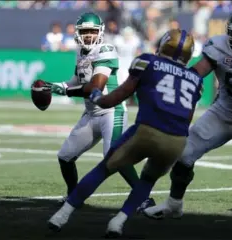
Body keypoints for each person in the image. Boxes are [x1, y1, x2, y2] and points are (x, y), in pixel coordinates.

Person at [144, 7, 232, 234]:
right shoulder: (218, 46)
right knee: (184, 153)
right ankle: (174, 204)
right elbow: (195, 73)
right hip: (223, 112)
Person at [47, 29, 203, 237]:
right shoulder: (195, 79)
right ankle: (118, 221)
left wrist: (97, 98)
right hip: (176, 140)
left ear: (163, 45)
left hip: (148, 129)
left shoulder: (148, 61)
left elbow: (117, 96)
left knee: (104, 168)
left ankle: (62, 215)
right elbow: (187, 117)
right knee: (147, 180)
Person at [42, 12, 154, 208]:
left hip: (111, 111)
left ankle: (144, 197)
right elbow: (75, 82)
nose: (87, 36)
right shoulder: (80, 52)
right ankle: (73, 196)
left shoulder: (106, 50)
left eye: (92, 32)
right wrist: (52, 86)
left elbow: (96, 87)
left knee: (115, 156)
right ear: (78, 33)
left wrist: (63, 91)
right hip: (91, 113)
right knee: (65, 156)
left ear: (100, 32)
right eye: (84, 32)